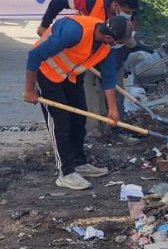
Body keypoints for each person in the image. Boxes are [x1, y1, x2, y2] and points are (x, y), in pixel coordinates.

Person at [23, 15, 135, 191]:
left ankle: (78, 162)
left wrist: (112, 109)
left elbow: (108, 77)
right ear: (109, 38)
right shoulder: (74, 31)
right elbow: (34, 56)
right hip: (47, 73)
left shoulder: (106, 46)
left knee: (79, 117)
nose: (121, 45)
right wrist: (29, 90)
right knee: (60, 123)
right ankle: (65, 173)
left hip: (70, 75)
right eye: (121, 41)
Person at [37, 0, 140, 35]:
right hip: (74, 40)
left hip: (101, 52)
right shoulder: (92, 1)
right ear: (116, 5)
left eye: (131, 12)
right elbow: (59, 0)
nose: (129, 16)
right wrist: (44, 25)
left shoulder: (130, 19)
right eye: (127, 12)